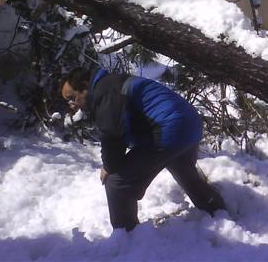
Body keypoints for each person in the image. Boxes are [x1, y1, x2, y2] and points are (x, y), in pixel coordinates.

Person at [61, 67, 226, 231]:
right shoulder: (112, 83)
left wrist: (108, 167)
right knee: (182, 168)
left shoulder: (105, 90)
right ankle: (218, 211)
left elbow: (112, 136)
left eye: (72, 97)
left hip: (170, 127)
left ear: (84, 85)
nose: (72, 104)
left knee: (117, 183)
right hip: (190, 123)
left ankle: (127, 237)